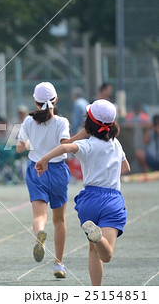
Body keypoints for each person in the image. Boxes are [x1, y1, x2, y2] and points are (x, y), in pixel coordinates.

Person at [35, 99, 131, 286]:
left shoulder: (87, 146)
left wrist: (44, 159)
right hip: (111, 199)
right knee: (107, 254)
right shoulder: (116, 144)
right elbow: (125, 168)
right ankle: (99, 238)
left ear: (88, 124)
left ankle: (96, 290)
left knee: (93, 251)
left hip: (89, 201)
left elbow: (65, 147)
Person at [16, 82, 70, 278]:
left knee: (40, 215)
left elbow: (20, 148)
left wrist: (32, 143)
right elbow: (65, 145)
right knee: (59, 219)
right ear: (56, 100)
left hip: (36, 169)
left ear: (35, 101)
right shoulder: (62, 122)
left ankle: (39, 232)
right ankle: (59, 263)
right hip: (58, 171)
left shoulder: (28, 121)